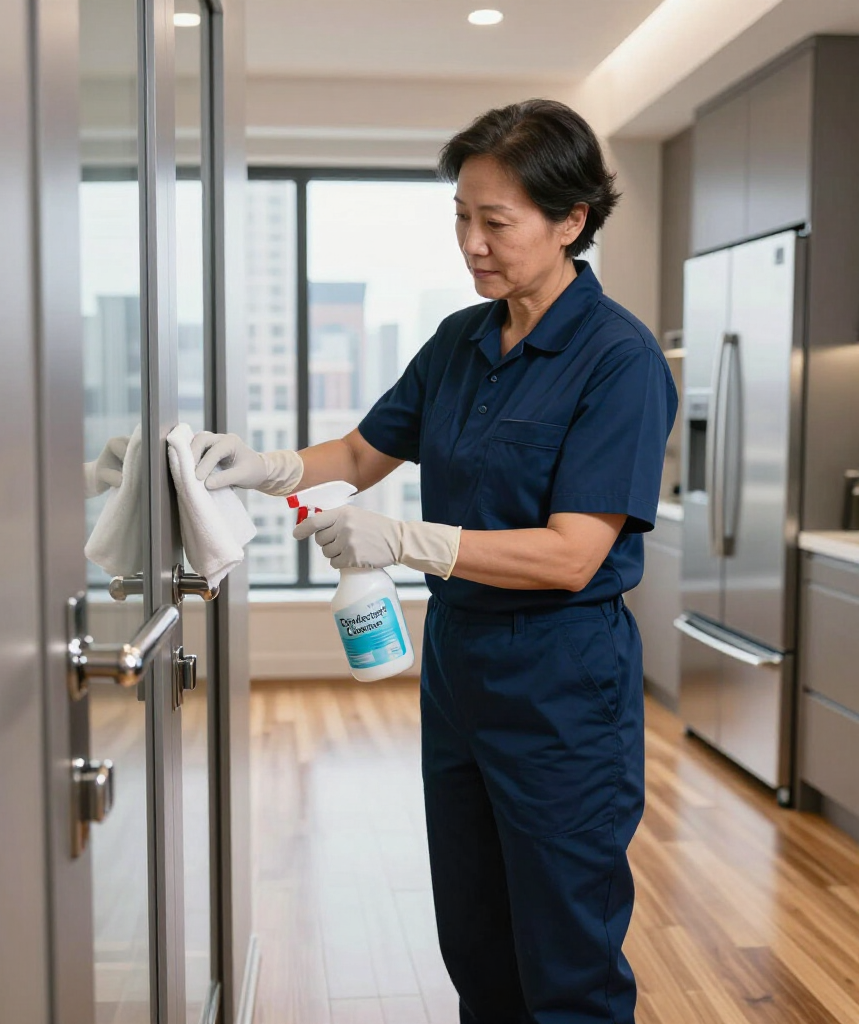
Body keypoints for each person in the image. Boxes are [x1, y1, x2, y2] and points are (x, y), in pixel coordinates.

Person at [193, 99, 678, 1024]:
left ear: (571, 220)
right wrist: (263, 468)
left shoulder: (617, 361)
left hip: (561, 682)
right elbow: (362, 451)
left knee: (565, 952)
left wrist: (411, 541)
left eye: (496, 222)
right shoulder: (461, 338)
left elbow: (575, 555)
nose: (472, 243)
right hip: (461, 667)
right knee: (476, 939)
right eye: (462, 216)